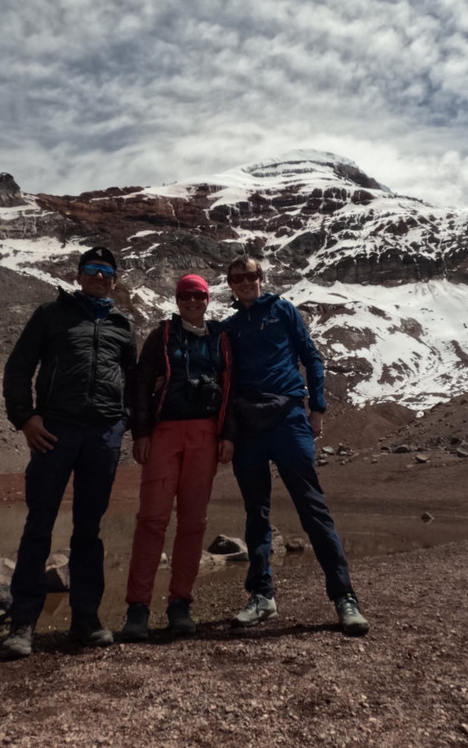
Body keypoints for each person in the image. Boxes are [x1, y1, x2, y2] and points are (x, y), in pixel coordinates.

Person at [0, 246, 136, 661]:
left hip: (103, 436)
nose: (99, 276)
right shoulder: (50, 315)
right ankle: (23, 622)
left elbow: (134, 380)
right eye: (92, 269)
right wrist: (25, 418)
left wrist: (123, 421)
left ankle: (85, 619)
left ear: (115, 281)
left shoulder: (122, 325)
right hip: (54, 431)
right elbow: (19, 367)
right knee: (39, 525)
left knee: (89, 529)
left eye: (107, 272)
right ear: (79, 275)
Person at [220, 255, 369, 636]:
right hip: (248, 425)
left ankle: (344, 597)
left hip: (288, 417)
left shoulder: (283, 311)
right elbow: (224, 381)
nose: (245, 282)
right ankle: (262, 596)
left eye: (250, 275)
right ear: (230, 284)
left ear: (261, 277)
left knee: (312, 507)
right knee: (256, 512)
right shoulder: (229, 327)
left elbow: (310, 356)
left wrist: (317, 407)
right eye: (237, 278)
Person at [120, 274, 236, 641]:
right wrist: (141, 433)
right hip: (164, 432)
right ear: (177, 299)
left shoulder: (221, 337)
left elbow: (233, 386)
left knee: (193, 522)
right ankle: (138, 607)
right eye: (185, 295)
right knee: (152, 519)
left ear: (207, 299)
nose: (192, 301)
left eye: (198, 295)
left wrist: (228, 435)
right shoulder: (162, 336)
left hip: (205, 434)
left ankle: (180, 603)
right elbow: (141, 384)